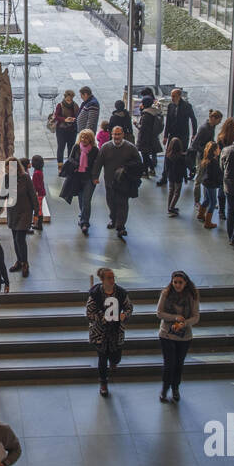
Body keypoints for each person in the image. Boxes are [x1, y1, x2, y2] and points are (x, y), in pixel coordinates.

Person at [91, 125, 144, 241]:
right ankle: (113, 218)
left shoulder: (130, 148)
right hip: (110, 181)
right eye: (115, 134)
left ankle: (121, 226)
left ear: (123, 135)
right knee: (111, 201)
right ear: (111, 134)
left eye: (119, 134)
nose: (116, 137)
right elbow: (98, 163)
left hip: (124, 182)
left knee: (122, 203)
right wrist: (95, 176)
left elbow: (139, 163)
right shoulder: (105, 147)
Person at [156, 270, 200, 402]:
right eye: (175, 282)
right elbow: (159, 313)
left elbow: (196, 317)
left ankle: (175, 388)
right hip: (167, 334)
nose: (177, 285)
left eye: (180, 282)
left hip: (184, 336)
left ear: (185, 283)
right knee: (169, 364)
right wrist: (174, 317)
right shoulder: (166, 293)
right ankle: (165, 388)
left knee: (179, 364)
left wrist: (184, 323)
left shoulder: (192, 296)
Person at [87, 267, 132, 396]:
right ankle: (103, 382)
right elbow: (89, 313)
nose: (112, 280)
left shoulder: (121, 293)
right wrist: (101, 318)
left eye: (113, 277)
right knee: (102, 357)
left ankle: (114, 362)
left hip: (116, 331)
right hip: (100, 332)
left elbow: (129, 307)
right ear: (102, 280)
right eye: (109, 278)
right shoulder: (95, 294)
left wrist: (125, 315)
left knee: (116, 356)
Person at [59, 128, 99, 235]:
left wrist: (95, 177)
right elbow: (70, 159)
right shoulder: (76, 147)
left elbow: (97, 165)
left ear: (90, 139)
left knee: (86, 200)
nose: (84, 139)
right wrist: (76, 165)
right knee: (81, 200)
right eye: (82, 137)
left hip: (89, 178)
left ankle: (85, 223)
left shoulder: (95, 150)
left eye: (86, 138)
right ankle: (83, 215)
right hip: (77, 178)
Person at [4, 157, 38, 278]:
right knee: (15, 238)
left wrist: (37, 213)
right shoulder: (7, 178)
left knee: (20, 239)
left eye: (10, 167)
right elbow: (3, 195)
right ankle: (19, 261)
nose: (8, 169)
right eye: (7, 167)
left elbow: (33, 194)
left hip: (25, 212)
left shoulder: (25, 177)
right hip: (13, 212)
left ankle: (25, 263)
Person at [160, 88, 198, 186]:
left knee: (182, 155)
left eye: (174, 96)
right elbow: (168, 121)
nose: (172, 98)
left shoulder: (187, 106)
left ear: (179, 96)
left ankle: (191, 169)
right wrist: (165, 136)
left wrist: (194, 133)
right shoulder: (170, 106)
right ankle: (164, 177)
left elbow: (193, 119)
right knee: (168, 155)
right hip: (172, 135)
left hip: (183, 135)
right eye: (171, 96)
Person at [189, 110, 222, 213]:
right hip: (201, 157)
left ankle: (206, 200)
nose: (219, 123)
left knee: (205, 178)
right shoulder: (204, 128)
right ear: (213, 118)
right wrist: (206, 149)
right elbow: (194, 145)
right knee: (199, 178)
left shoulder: (212, 127)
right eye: (218, 120)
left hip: (206, 156)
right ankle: (197, 201)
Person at [213, 117, 234, 222]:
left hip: (222, 166)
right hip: (228, 167)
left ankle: (222, 211)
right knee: (225, 190)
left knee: (222, 189)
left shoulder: (221, 138)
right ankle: (224, 210)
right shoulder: (230, 139)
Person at [136, 94, 164, 177]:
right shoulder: (155, 112)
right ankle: (151, 170)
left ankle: (146, 172)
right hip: (152, 137)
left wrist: (136, 124)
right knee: (146, 155)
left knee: (145, 156)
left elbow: (142, 128)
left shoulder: (146, 115)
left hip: (145, 139)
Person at [197, 141, 222, 229]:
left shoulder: (206, 160)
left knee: (207, 199)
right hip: (211, 184)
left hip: (206, 182)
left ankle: (200, 214)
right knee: (213, 202)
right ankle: (208, 222)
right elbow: (215, 175)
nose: (220, 150)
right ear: (214, 151)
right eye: (218, 149)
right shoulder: (214, 162)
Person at [53, 90, 80, 165]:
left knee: (71, 148)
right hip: (61, 130)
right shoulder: (60, 105)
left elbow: (78, 115)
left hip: (72, 130)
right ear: (65, 98)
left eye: (71, 99)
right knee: (61, 147)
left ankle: (69, 164)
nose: (69, 101)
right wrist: (64, 119)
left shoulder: (75, 105)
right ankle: (60, 165)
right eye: (68, 99)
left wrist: (74, 119)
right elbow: (56, 116)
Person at [164, 137, 188, 215]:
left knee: (171, 191)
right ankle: (171, 207)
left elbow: (166, 167)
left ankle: (169, 206)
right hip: (178, 177)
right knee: (177, 192)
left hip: (171, 176)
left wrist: (167, 175)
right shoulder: (182, 157)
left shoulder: (168, 156)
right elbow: (184, 168)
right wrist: (185, 177)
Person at [30, 155, 47, 233]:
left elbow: (36, 185)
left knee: (39, 209)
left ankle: (39, 225)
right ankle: (38, 224)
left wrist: (34, 193)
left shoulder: (36, 173)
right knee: (39, 209)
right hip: (41, 193)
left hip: (39, 194)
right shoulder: (40, 171)